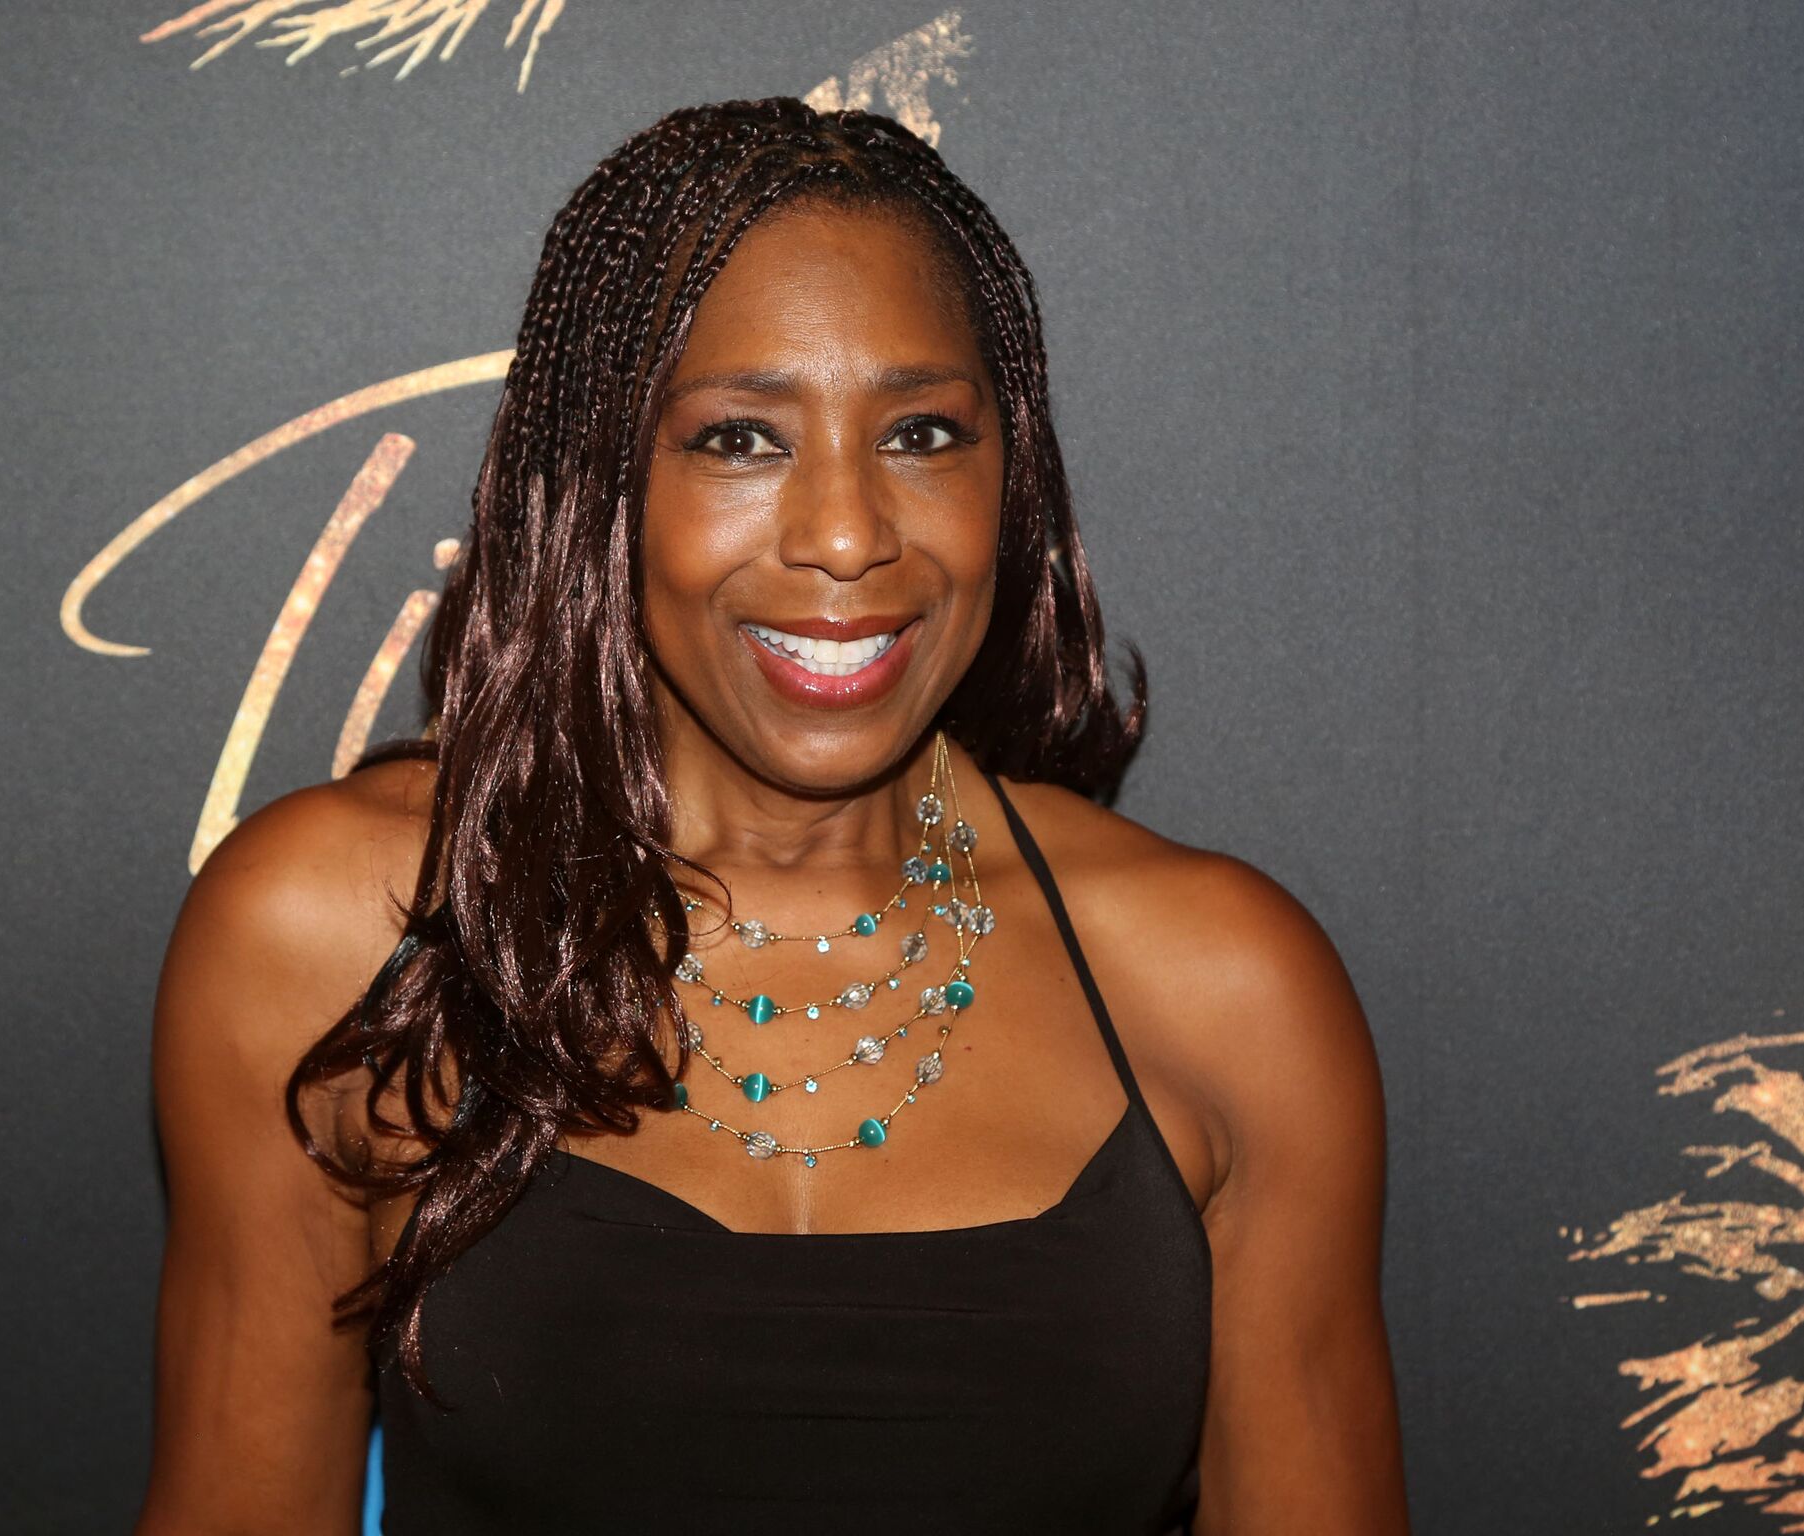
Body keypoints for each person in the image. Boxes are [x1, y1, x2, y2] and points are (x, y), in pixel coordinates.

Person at [135, 97, 1410, 1535]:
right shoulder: (331, 936)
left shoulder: (1226, 991)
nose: (849, 533)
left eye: (923, 433)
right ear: (598, 480)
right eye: (740, 439)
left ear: (1016, 480)